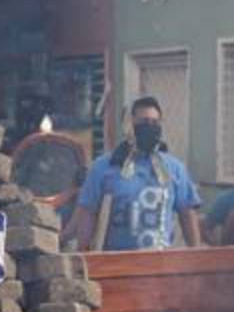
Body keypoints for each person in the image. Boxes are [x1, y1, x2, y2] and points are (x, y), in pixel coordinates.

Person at [72, 96, 202, 251]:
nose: (150, 127)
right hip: (117, 262)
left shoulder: (174, 168)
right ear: (129, 125)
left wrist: (196, 254)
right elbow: (88, 213)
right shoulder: (104, 167)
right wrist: (83, 255)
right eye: (144, 122)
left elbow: (187, 214)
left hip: (161, 263)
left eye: (155, 123)